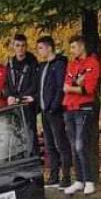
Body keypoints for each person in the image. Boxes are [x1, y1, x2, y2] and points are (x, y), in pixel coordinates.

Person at [62, 35, 100, 196]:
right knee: (73, 146)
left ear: (82, 46)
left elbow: (89, 89)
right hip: (69, 107)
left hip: (84, 109)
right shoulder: (72, 64)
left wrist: (75, 86)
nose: (71, 51)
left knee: (80, 144)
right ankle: (79, 180)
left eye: (74, 47)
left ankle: (89, 180)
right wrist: (77, 83)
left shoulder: (92, 63)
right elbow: (66, 86)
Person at [37, 36, 72, 188]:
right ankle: (53, 175)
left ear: (49, 48)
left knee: (61, 143)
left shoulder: (58, 64)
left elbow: (59, 87)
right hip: (45, 111)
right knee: (49, 144)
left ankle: (66, 176)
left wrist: (53, 106)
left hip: (54, 111)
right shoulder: (44, 65)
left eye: (41, 48)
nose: (39, 51)